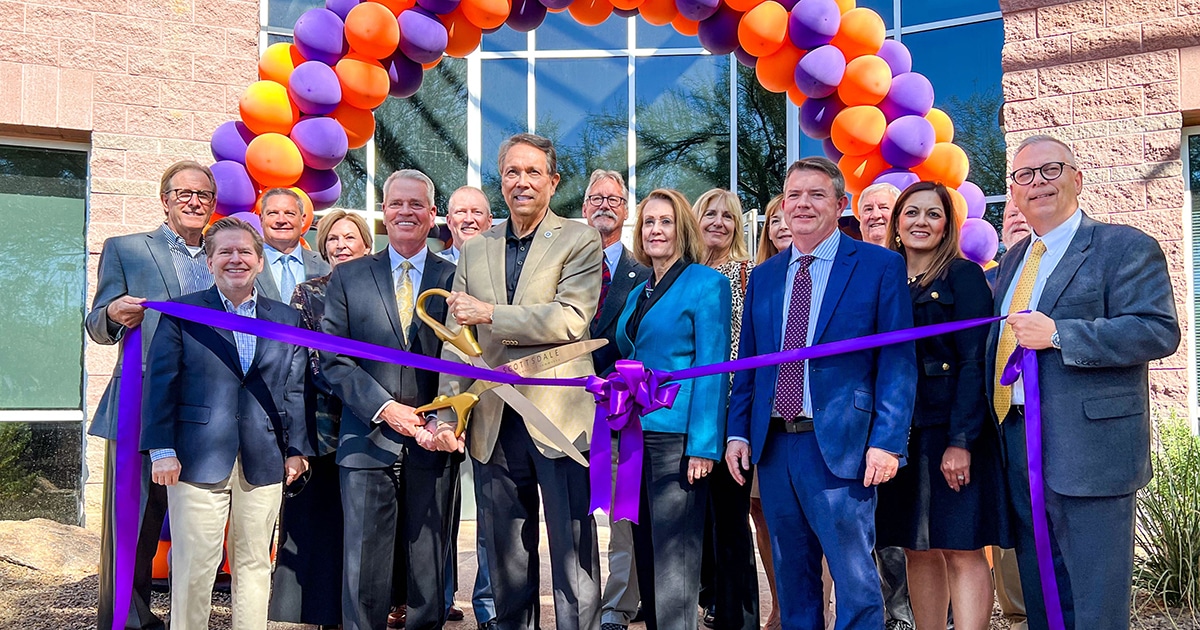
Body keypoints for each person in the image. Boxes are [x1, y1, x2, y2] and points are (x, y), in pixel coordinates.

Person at [988, 135, 1179, 630]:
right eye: (1024, 176)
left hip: (1092, 454)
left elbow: (1158, 331)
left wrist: (1060, 335)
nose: (1038, 184)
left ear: (1077, 178)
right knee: (1042, 591)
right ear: (1014, 193)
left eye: (1050, 170)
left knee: (1095, 602)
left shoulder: (1124, 246)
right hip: (1019, 444)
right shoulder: (1012, 261)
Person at [725, 157, 916, 630]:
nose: (803, 204)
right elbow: (748, 362)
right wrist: (737, 433)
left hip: (842, 447)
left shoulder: (879, 266)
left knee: (854, 581)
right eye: (794, 195)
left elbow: (897, 361)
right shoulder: (765, 276)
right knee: (793, 579)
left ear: (840, 204)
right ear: (783, 206)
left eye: (816, 194)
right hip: (774, 446)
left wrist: (888, 440)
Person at [433, 133, 604, 630]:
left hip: (558, 421)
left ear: (553, 181)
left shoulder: (579, 239)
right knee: (506, 559)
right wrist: (450, 410)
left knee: (572, 556)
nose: (522, 182)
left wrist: (491, 313)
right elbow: (455, 341)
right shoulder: (475, 248)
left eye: (533, 172)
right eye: (512, 172)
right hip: (491, 422)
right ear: (500, 181)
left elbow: (571, 319)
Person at [141, 216, 311, 630]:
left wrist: (297, 449)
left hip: (264, 457)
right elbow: (161, 383)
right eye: (225, 252)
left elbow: (295, 388)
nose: (236, 259)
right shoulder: (182, 312)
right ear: (210, 261)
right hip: (196, 457)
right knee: (194, 566)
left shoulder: (286, 318)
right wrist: (162, 450)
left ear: (259, 261)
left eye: (245, 252)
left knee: (254, 563)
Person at [320, 170, 459, 630]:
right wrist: (384, 407)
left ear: (432, 214)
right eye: (396, 203)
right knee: (363, 570)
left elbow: (468, 360)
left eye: (416, 204)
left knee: (428, 567)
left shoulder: (457, 278)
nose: (405, 212)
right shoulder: (349, 277)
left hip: (434, 442)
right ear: (383, 211)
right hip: (366, 438)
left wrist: (443, 419)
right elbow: (333, 358)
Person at [88, 160, 217, 630]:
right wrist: (113, 313)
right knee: (135, 526)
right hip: (139, 407)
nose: (193, 202)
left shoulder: (223, 254)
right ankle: (128, 621)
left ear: (213, 204)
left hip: (208, 410)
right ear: (164, 200)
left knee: (196, 526)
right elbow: (96, 324)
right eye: (183, 193)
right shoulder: (126, 250)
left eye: (202, 195)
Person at [875, 182, 1010, 630]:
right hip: (900, 433)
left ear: (948, 225)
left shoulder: (962, 276)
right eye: (911, 212)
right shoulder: (885, 279)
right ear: (897, 222)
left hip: (949, 429)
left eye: (933, 214)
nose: (921, 222)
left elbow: (975, 361)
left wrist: (961, 440)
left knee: (961, 547)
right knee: (916, 548)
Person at [617, 188, 731, 630]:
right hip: (635, 434)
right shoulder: (637, 292)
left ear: (682, 229)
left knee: (675, 561)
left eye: (665, 221)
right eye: (648, 222)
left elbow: (713, 367)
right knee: (646, 549)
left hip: (679, 438)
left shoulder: (708, 284)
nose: (655, 230)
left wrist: (704, 445)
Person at [269, 210, 374, 628]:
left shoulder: (381, 287)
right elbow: (307, 360)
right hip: (325, 423)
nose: (341, 244)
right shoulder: (307, 292)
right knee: (325, 523)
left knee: (366, 527)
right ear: (324, 247)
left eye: (350, 237)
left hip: (378, 421)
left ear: (367, 244)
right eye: (333, 238)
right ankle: (323, 613)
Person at [583, 169, 651, 630]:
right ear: (584, 208)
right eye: (596, 198)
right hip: (557, 409)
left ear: (626, 210)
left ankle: (618, 606)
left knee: (623, 515)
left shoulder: (645, 274)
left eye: (615, 198)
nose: (605, 205)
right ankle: (581, 601)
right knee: (573, 515)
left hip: (619, 410)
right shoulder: (558, 266)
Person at [690, 188, 759, 630]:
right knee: (700, 518)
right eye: (709, 214)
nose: (718, 222)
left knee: (731, 518)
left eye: (728, 217)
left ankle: (739, 614)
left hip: (731, 409)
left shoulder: (746, 274)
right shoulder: (684, 275)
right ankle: (711, 599)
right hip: (689, 410)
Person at [988, 199, 1031, 630]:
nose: (1017, 217)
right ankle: (1017, 614)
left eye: (1024, 212)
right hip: (997, 422)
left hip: (1055, 423)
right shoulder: (986, 283)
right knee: (1008, 522)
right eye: (1009, 215)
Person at [255, 187, 330, 302]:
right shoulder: (245, 264)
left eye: (290, 213)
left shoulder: (326, 265)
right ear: (261, 219)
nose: (281, 220)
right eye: (273, 213)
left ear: (303, 219)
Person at [439, 185, 493, 264]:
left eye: (477, 212)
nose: (468, 219)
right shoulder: (428, 267)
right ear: (449, 221)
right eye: (461, 212)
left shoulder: (505, 265)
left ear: (489, 221)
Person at [857, 182, 900, 248]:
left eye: (883, 207)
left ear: (898, 216)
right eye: (868, 209)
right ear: (860, 218)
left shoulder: (913, 256)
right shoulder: (844, 257)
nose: (875, 215)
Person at [754, 194, 788, 264]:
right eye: (775, 221)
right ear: (769, 232)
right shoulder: (759, 273)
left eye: (789, 219)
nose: (783, 226)